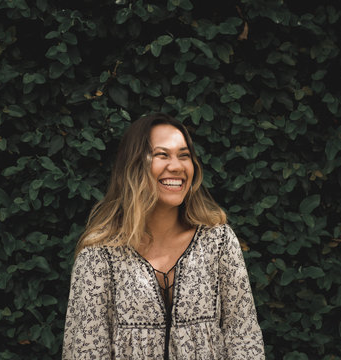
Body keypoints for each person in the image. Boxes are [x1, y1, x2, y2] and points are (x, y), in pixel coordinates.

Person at [62, 113, 265, 359]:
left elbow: (244, 337)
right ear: (133, 165)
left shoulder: (218, 242)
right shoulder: (99, 257)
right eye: (162, 155)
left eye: (184, 155)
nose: (177, 166)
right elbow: (85, 350)